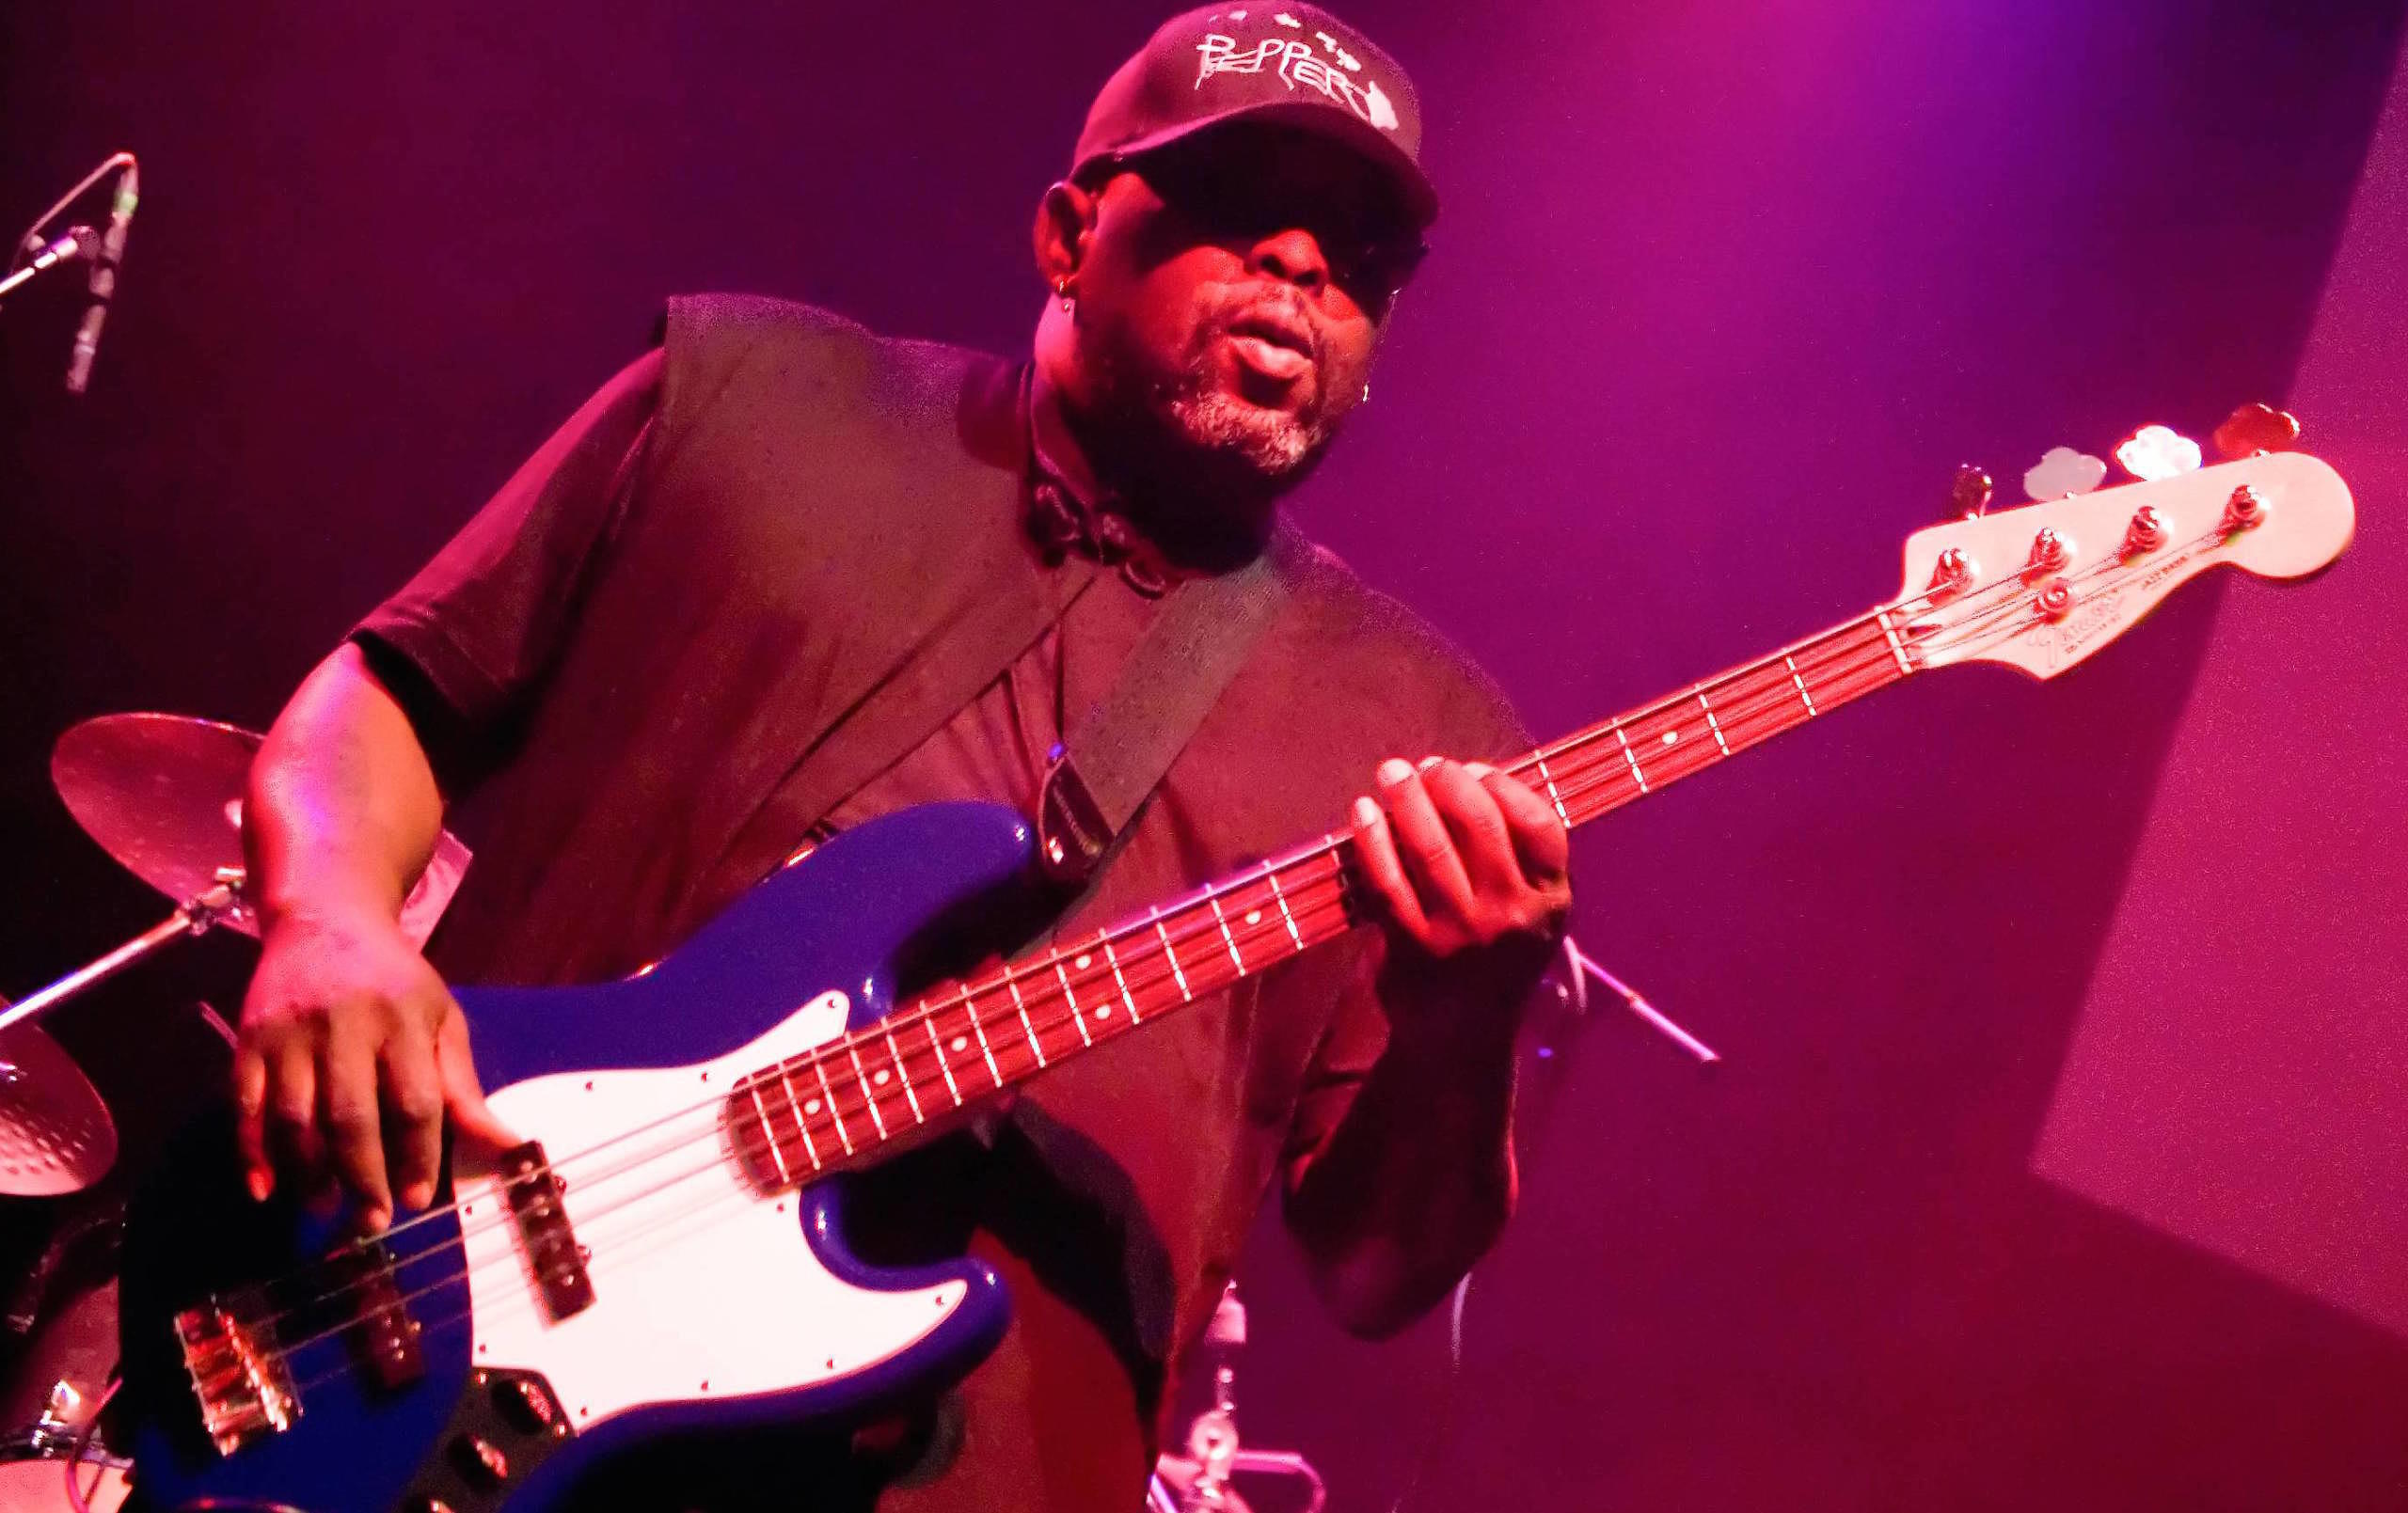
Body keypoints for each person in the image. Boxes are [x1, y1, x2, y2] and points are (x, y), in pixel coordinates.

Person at [232, 5, 1573, 1508]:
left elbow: (1380, 1269)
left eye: (1361, 249)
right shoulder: (747, 400)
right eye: (1239, 198)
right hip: (432, 1360)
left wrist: (1469, 1020)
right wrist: (329, 916)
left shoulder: (1423, 731)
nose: (1302, 263)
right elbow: (389, 692)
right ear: (1068, 234)